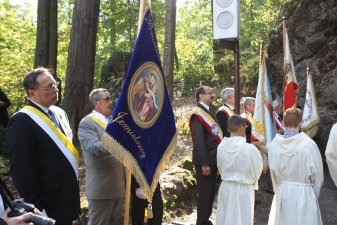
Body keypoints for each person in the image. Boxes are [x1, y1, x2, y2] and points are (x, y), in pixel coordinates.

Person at [6, 67, 80, 225]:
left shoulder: (59, 113)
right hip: (48, 204)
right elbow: (22, 171)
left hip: (68, 200)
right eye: (49, 87)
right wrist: (37, 209)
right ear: (32, 93)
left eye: (55, 84)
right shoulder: (21, 121)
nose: (55, 89)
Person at [267, 108, 323, 225]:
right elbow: (318, 175)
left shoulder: (273, 146)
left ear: (283, 123)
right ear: (300, 123)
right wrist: (314, 193)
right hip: (305, 192)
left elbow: (273, 173)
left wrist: (280, 188)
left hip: (283, 191)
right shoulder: (309, 145)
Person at [78, 88, 125, 225]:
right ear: (96, 103)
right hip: (102, 188)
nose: (111, 102)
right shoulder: (87, 123)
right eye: (107, 99)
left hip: (117, 185)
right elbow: (94, 147)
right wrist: (118, 142)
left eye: (111, 99)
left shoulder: (112, 122)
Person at [216, 115, 263, 225]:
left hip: (226, 187)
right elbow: (257, 170)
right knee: (242, 219)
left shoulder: (221, 147)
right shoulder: (249, 149)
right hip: (243, 188)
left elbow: (220, 167)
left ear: (228, 129)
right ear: (242, 129)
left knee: (225, 218)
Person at [189, 86, 223, 225]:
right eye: (210, 93)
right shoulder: (198, 114)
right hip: (205, 159)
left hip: (212, 158)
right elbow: (199, 140)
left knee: (210, 192)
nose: (212, 95)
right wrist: (204, 163)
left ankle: (206, 219)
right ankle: (201, 221)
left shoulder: (208, 111)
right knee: (204, 193)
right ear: (201, 96)